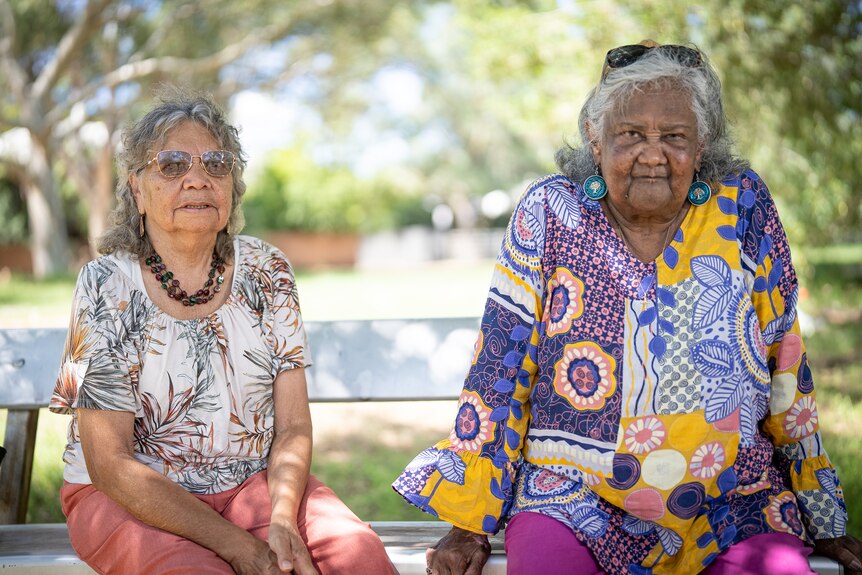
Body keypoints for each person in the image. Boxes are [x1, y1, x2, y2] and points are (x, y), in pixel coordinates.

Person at [393, 41, 862, 575]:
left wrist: (824, 517)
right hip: (571, 498)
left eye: (675, 136)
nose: (653, 153)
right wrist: (469, 522)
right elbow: (501, 369)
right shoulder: (549, 211)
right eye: (632, 134)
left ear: (702, 143)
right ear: (596, 138)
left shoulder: (743, 206)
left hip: (732, 500)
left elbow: (786, 360)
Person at [49, 90, 395, 575]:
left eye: (216, 163)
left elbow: (293, 426)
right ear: (138, 189)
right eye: (171, 164)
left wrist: (282, 519)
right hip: (128, 497)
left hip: (255, 485)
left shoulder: (269, 270)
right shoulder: (102, 283)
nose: (197, 179)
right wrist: (238, 546)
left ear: (232, 185)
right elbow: (109, 465)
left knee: (358, 556)